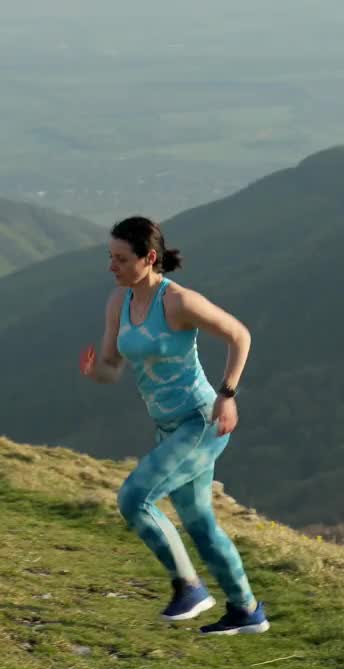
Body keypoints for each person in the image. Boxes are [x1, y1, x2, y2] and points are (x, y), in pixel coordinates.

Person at [79, 215, 269, 636]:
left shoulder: (179, 302)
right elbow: (114, 368)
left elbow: (240, 335)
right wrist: (96, 372)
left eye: (121, 259)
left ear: (149, 258)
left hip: (201, 420)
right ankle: (247, 609)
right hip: (167, 427)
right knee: (200, 523)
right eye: (109, 257)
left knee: (134, 497)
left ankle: (189, 587)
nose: (112, 267)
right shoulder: (119, 302)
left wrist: (228, 394)